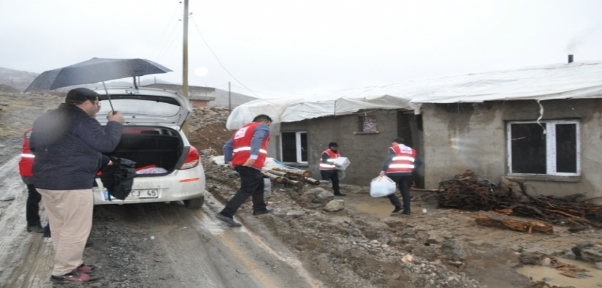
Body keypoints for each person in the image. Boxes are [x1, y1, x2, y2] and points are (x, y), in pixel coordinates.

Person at [29, 88, 124, 283]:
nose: (98, 108)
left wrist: (100, 160)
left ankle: (73, 263)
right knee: (75, 228)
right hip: (70, 184)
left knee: (60, 225)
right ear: (87, 102)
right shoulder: (81, 119)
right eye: (98, 103)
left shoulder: (46, 118)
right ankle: (63, 271)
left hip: (46, 181)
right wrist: (115, 124)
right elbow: (106, 143)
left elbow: (36, 146)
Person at [217, 114, 273, 227]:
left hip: (240, 163)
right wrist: (253, 156)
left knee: (259, 182)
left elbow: (226, 147)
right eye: (269, 125)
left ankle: (259, 208)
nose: (268, 128)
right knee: (246, 189)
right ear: (264, 122)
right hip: (250, 163)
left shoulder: (240, 131)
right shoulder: (262, 126)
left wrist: (228, 160)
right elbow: (257, 138)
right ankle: (226, 214)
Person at [379, 137, 422, 215]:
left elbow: (389, 159)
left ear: (395, 142)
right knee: (405, 191)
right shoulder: (411, 150)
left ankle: (398, 205)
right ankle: (407, 210)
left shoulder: (394, 148)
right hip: (407, 174)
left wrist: (383, 170)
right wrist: (412, 169)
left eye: (392, 143)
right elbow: (419, 162)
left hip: (394, 173)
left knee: (387, 189)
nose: (392, 145)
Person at [18, 129, 44, 233]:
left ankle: (33, 224)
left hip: (33, 169)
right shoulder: (33, 132)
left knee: (36, 196)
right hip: (31, 170)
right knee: (34, 196)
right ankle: (33, 224)